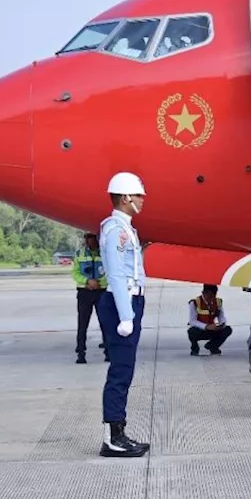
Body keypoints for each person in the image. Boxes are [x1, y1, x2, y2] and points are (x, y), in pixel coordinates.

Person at [97, 172, 150, 458]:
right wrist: (126, 314)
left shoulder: (125, 227)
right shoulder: (115, 229)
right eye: (139, 195)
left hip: (130, 300)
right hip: (122, 302)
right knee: (120, 371)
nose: (142, 200)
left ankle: (119, 433)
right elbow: (117, 275)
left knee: (125, 370)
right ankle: (113, 438)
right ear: (126, 197)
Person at [72, 231, 107, 364]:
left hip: (101, 291)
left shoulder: (105, 253)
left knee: (105, 323)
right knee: (82, 324)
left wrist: (98, 283)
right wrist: (88, 281)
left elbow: (109, 272)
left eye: (91, 237)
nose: (88, 240)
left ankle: (108, 351)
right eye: (87, 237)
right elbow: (75, 273)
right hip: (84, 292)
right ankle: (81, 353)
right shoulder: (79, 254)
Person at [187, 283, 233, 355]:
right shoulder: (195, 303)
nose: (211, 299)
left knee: (228, 329)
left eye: (213, 296)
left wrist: (221, 324)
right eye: (209, 296)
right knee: (191, 332)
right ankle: (194, 348)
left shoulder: (218, 302)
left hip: (213, 329)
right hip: (201, 330)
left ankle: (213, 346)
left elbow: (221, 317)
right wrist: (206, 326)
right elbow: (192, 321)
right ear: (203, 293)